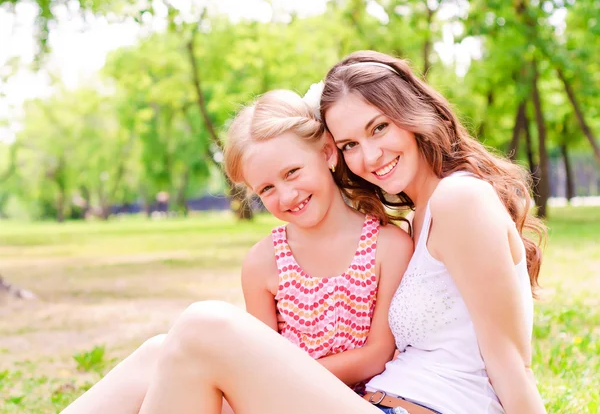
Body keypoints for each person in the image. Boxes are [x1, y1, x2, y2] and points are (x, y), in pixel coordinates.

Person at [63, 50, 548, 414]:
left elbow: (511, 362)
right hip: (372, 403)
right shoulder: (422, 216)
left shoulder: (458, 200)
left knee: (205, 325)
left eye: (379, 127)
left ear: (413, 113)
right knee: (161, 353)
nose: (370, 157)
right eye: (352, 143)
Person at [60, 88, 412, 414]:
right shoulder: (264, 263)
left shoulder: (388, 246)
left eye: (292, 172)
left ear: (326, 152)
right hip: (272, 399)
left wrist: (263, 379)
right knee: (158, 350)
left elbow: (377, 355)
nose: (287, 196)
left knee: (189, 341)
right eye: (267, 188)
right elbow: (258, 353)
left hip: (340, 401)